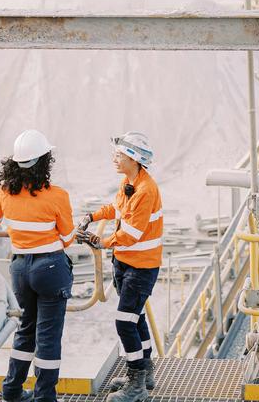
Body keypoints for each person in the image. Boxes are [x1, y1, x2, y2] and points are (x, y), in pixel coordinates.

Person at [0, 129, 76, 402]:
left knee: (26, 329)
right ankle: (44, 397)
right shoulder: (56, 196)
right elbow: (69, 238)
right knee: (48, 337)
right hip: (49, 268)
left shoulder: (4, 193)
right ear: (44, 162)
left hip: (20, 269)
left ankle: (12, 390)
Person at [77, 131, 163, 402]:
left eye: (119, 155)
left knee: (124, 321)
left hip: (141, 267)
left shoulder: (146, 191)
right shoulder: (130, 183)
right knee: (135, 318)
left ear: (134, 160)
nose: (114, 159)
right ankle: (144, 371)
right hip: (126, 263)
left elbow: (130, 235)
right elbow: (116, 209)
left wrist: (98, 241)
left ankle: (136, 386)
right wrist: (91, 216)